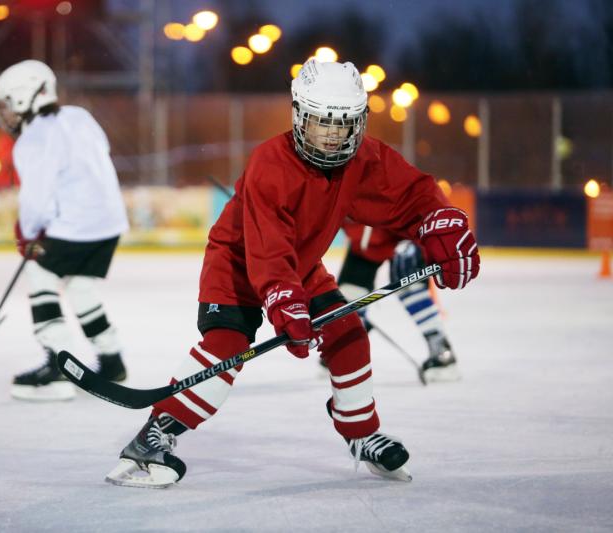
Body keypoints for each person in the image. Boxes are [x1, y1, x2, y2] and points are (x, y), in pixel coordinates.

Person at [104, 58, 480, 488]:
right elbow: (267, 251)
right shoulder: (271, 163)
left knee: (348, 334)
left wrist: (443, 222)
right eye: (323, 123)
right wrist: (286, 302)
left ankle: (361, 432)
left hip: (298, 265)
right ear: (300, 116)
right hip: (238, 262)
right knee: (227, 345)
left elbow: (412, 194)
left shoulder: (362, 160)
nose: (334, 135)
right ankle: (155, 436)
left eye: (345, 125)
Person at [0, 59, 130, 401]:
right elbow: (98, 156)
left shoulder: (32, 139)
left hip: (75, 226)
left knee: (41, 277)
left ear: (25, 97)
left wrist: (28, 232)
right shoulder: (79, 116)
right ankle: (112, 361)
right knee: (81, 288)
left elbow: (37, 196)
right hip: (109, 223)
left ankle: (60, 369)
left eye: (7, 104)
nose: (5, 115)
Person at [337, 222, 459, 382]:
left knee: (408, 278)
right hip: (364, 240)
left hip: (403, 233)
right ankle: (346, 350)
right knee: (350, 290)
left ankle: (440, 348)